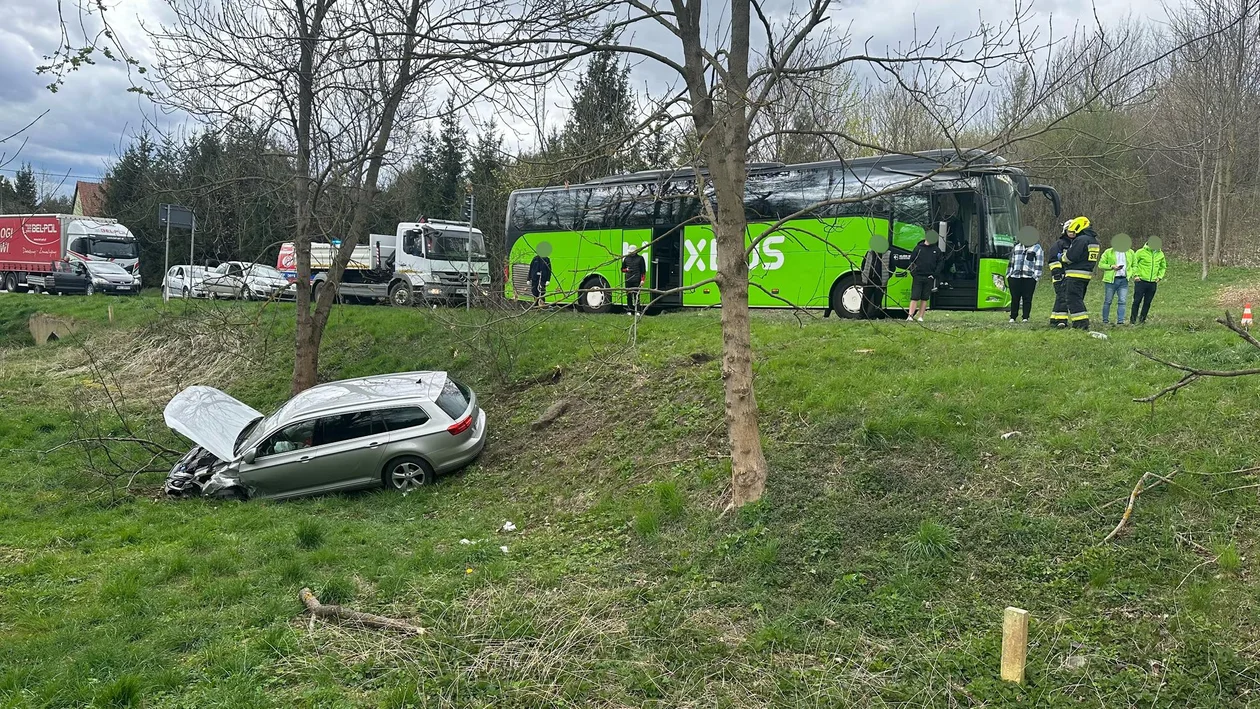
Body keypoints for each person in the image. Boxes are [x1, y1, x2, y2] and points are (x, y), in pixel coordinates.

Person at [1061, 216, 1100, 330]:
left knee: (1073, 299)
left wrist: (1062, 258)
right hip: (1085, 275)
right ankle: (1081, 323)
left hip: (1074, 275)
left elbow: (1071, 257)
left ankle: (1080, 324)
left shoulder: (1081, 240)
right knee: (1078, 299)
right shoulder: (1093, 241)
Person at [1005, 228, 1043, 323]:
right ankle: (1013, 317)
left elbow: (1039, 263)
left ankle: (1025, 317)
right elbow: (1011, 262)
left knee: (1027, 297)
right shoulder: (1017, 247)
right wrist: (1009, 274)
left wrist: (1035, 277)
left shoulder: (1037, 248)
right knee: (1015, 297)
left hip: (1029, 277)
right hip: (1015, 276)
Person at [907, 231, 943, 322]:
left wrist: (934, 275)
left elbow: (940, 263)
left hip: (929, 277)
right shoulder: (918, 248)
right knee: (914, 297)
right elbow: (911, 261)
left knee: (925, 298)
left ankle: (920, 317)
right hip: (918, 276)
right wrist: (914, 274)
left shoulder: (937, 250)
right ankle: (910, 316)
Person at [1130, 236, 1167, 324]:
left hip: (1153, 282)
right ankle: (1133, 320)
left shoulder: (1160, 254)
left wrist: (1159, 277)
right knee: (1137, 301)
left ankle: (1142, 320)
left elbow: (1163, 267)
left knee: (1147, 302)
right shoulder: (1140, 252)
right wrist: (1135, 275)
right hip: (1141, 281)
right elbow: (1133, 264)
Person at [1099, 234, 1133, 325]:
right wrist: (1111, 267)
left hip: (1124, 280)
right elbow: (1101, 265)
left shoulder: (1130, 252)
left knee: (1122, 301)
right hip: (1111, 280)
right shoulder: (1108, 252)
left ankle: (1120, 321)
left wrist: (1132, 274)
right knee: (1108, 301)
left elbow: (1134, 265)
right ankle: (1105, 320)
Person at [1047, 221, 1072, 327]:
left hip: (1070, 274)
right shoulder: (1060, 244)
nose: (1071, 233)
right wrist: (1057, 272)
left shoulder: (1076, 243)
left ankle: (1054, 319)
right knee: (1063, 296)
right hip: (1060, 274)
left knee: (1061, 296)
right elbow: (1053, 259)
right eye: (1069, 230)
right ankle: (1061, 320)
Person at [860, 235, 889, 319]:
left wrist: (887, 277)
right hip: (869, 279)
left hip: (880, 281)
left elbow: (892, 267)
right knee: (865, 299)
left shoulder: (887, 254)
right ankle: (862, 315)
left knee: (878, 300)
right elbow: (863, 264)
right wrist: (864, 275)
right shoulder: (869, 253)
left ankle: (874, 315)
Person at [621, 245, 647, 315]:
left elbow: (643, 271)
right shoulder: (626, 259)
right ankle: (629, 310)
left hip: (637, 280)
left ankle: (637, 311)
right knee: (628, 296)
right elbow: (622, 269)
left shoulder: (640, 258)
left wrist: (642, 280)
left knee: (637, 296)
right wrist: (626, 270)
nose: (631, 253)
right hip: (628, 279)